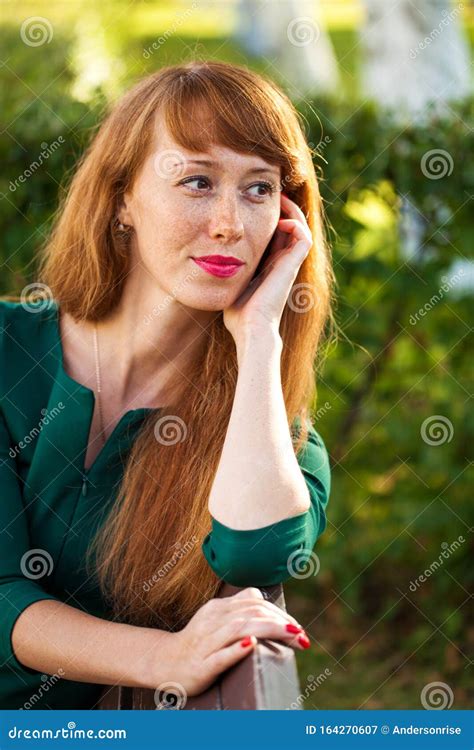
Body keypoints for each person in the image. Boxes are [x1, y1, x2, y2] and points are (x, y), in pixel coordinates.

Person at [0, 60, 335, 710]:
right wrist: (164, 658)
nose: (230, 224)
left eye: (259, 189)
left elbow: (258, 555)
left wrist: (260, 337)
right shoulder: (8, 350)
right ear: (122, 196)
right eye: (198, 180)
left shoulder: (268, 429)